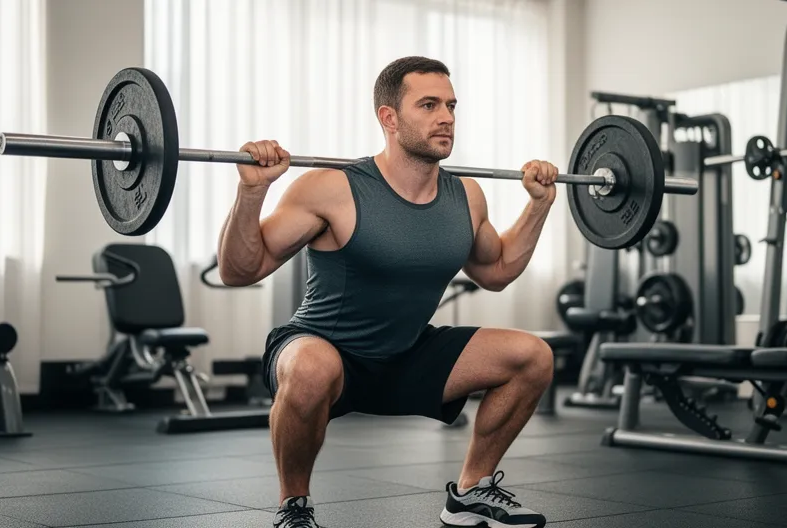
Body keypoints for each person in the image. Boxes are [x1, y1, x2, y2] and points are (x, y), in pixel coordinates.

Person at [217, 56, 558, 528]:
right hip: (324, 350)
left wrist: (539, 206)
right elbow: (239, 271)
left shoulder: (466, 195)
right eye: (429, 105)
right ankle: (293, 506)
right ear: (389, 118)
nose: (446, 117)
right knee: (312, 367)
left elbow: (496, 271)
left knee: (532, 356)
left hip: (406, 353)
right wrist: (252, 193)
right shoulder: (332, 188)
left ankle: (471, 493)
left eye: (451, 106)